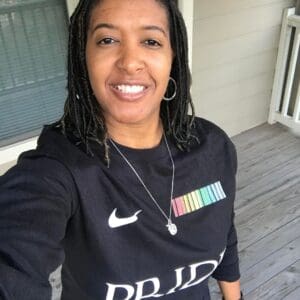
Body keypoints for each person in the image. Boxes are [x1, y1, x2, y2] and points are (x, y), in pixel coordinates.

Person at [0, 0, 242, 299]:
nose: (129, 62)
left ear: (172, 57)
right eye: (108, 40)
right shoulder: (57, 172)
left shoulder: (213, 148)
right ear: (83, 57)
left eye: (151, 41)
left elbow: (224, 230)